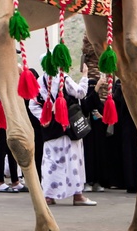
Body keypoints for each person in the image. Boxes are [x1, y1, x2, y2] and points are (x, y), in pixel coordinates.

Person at [29, 71, 95, 206]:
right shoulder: (64, 78)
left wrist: (43, 116)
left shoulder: (39, 81)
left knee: (50, 162)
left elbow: (32, 104)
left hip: (51, 129)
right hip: (68, 127)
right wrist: (84, 76)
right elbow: (80, 93)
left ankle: (48, 196)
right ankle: (78, 195)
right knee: (74, 161)